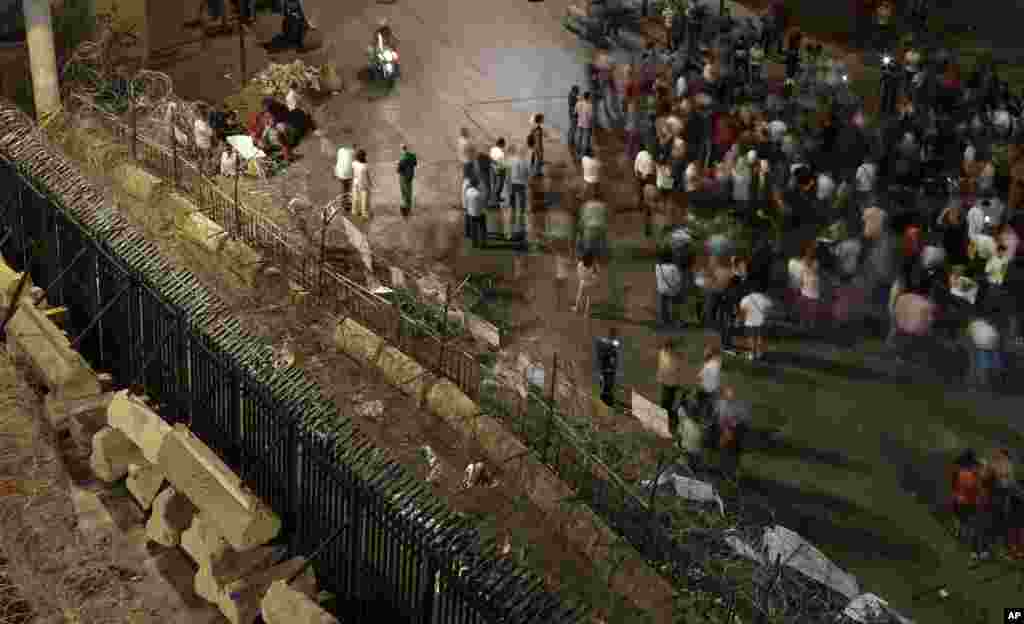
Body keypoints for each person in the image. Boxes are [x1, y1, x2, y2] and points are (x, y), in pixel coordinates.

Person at [949, 449, 992, 560]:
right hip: (969, 504)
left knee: (968, 526)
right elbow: (977, 489)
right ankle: (978, 552)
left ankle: (973, 549)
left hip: (959, 502)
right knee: (977, 527)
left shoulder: (958, 471)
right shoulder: (971, 475)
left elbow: (955, 486)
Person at [657, 337, 687, 435]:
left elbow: (676, 369)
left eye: (668, 347)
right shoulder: (667, 354)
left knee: (667, 403)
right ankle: (666, 420)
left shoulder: (672, 356)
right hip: (668, 383)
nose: (667, 349)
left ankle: (667, 420)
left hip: (671, 383)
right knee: (666, 402)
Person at [739, 289, 771, 361]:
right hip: (761, 322)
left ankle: (752, 354)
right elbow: (769, 308)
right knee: (760, 338)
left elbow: (743, 311)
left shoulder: (746, 299)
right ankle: (759, 354)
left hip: (749, 322)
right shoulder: (764, 298)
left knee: (751, 338)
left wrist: (742, 320)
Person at [505, 144, 529, 240]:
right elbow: (527, 176)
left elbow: (507, 177)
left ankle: (511, 233)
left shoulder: (510, 161)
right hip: (521, 186)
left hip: (512, 186)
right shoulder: (524, 162)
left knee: (513, 210)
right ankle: (521, 232)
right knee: (521, 211)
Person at [656, 248, 684, 327]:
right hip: (672, 290)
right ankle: (675, 321)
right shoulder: (673, 267)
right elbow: (678, 280)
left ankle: (662, 320)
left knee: (662, 306)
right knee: (673, 306)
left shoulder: (658, 266)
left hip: (661, 289)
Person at [597, 326, 621, 406]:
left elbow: (614, 356)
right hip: (606, 368)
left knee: (609, 384)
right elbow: (603, 356)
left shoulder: (614, 343)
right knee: (606, 383)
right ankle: (605, 398)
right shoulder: (605, 343)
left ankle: (608, 398)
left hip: (610, 369)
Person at [463, 173, 487, 248]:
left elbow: (466, 202)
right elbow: (483, 202)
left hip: (471, 213)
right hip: (480, 213)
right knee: (482, 228)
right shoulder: (479, 193)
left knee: (473, 229)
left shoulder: (468, 192)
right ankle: (483, 243)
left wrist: (467, 209)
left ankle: (474, 243)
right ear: (477, 184)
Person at [351, 149, 374, 220]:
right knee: (365, 199)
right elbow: (368, 176)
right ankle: (364, 213)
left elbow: (353, 172)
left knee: (355, 197)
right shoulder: (365, 166)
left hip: (355, 182)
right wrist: (371, 183)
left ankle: (355, 211)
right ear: (364, 156)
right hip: (363, 183)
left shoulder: (354, 163)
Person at [397, 144, 417, 217]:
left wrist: (398, 164)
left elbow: (398, 170)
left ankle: (405, 209)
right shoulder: (412, 156)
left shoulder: (402, 159)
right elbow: (415, 163)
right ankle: (409, 207)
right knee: (409, 191)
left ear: (402, 149)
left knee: (404, 192)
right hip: (410, 176)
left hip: (403, 177)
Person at [335, 143, 356, 211]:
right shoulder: (353, 152)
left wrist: (336, 173)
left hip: (340, 172)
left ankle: (344, 202)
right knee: (347, 187)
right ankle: (346, 204)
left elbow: (338, 161)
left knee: (344, 187)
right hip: (347, 173)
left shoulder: (340, 150)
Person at [575, 94, 594, 159]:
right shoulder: (590, 105)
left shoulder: (578, 103)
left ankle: (578, 152)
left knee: (579, 138)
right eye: (590, 97)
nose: (591, 98)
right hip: (587, 124)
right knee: (586, 139)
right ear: (588, 97)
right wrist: (591, 125)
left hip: (580, 123)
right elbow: (590, 116)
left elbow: (576, 113)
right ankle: (583, 154)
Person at [490, 138, 507, 209]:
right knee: (499, 185)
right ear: (501, 144)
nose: (504, 146)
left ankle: (496, 198)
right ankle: (495, 200)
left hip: (493, 169)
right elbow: (500, 162)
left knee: (495, 185)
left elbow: (492, 160)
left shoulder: (493, 149)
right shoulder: (500, 151)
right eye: (503, 144)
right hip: (499, 170)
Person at [568, 85, 580, 153]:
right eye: (577, 92)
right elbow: (573, 107)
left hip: (573, 114)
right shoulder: (572, 97)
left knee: (573, 128)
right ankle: (571, 141)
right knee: (573, 128)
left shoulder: (571, 95)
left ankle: (571, 140)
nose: (578, 93)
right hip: (573, 115)